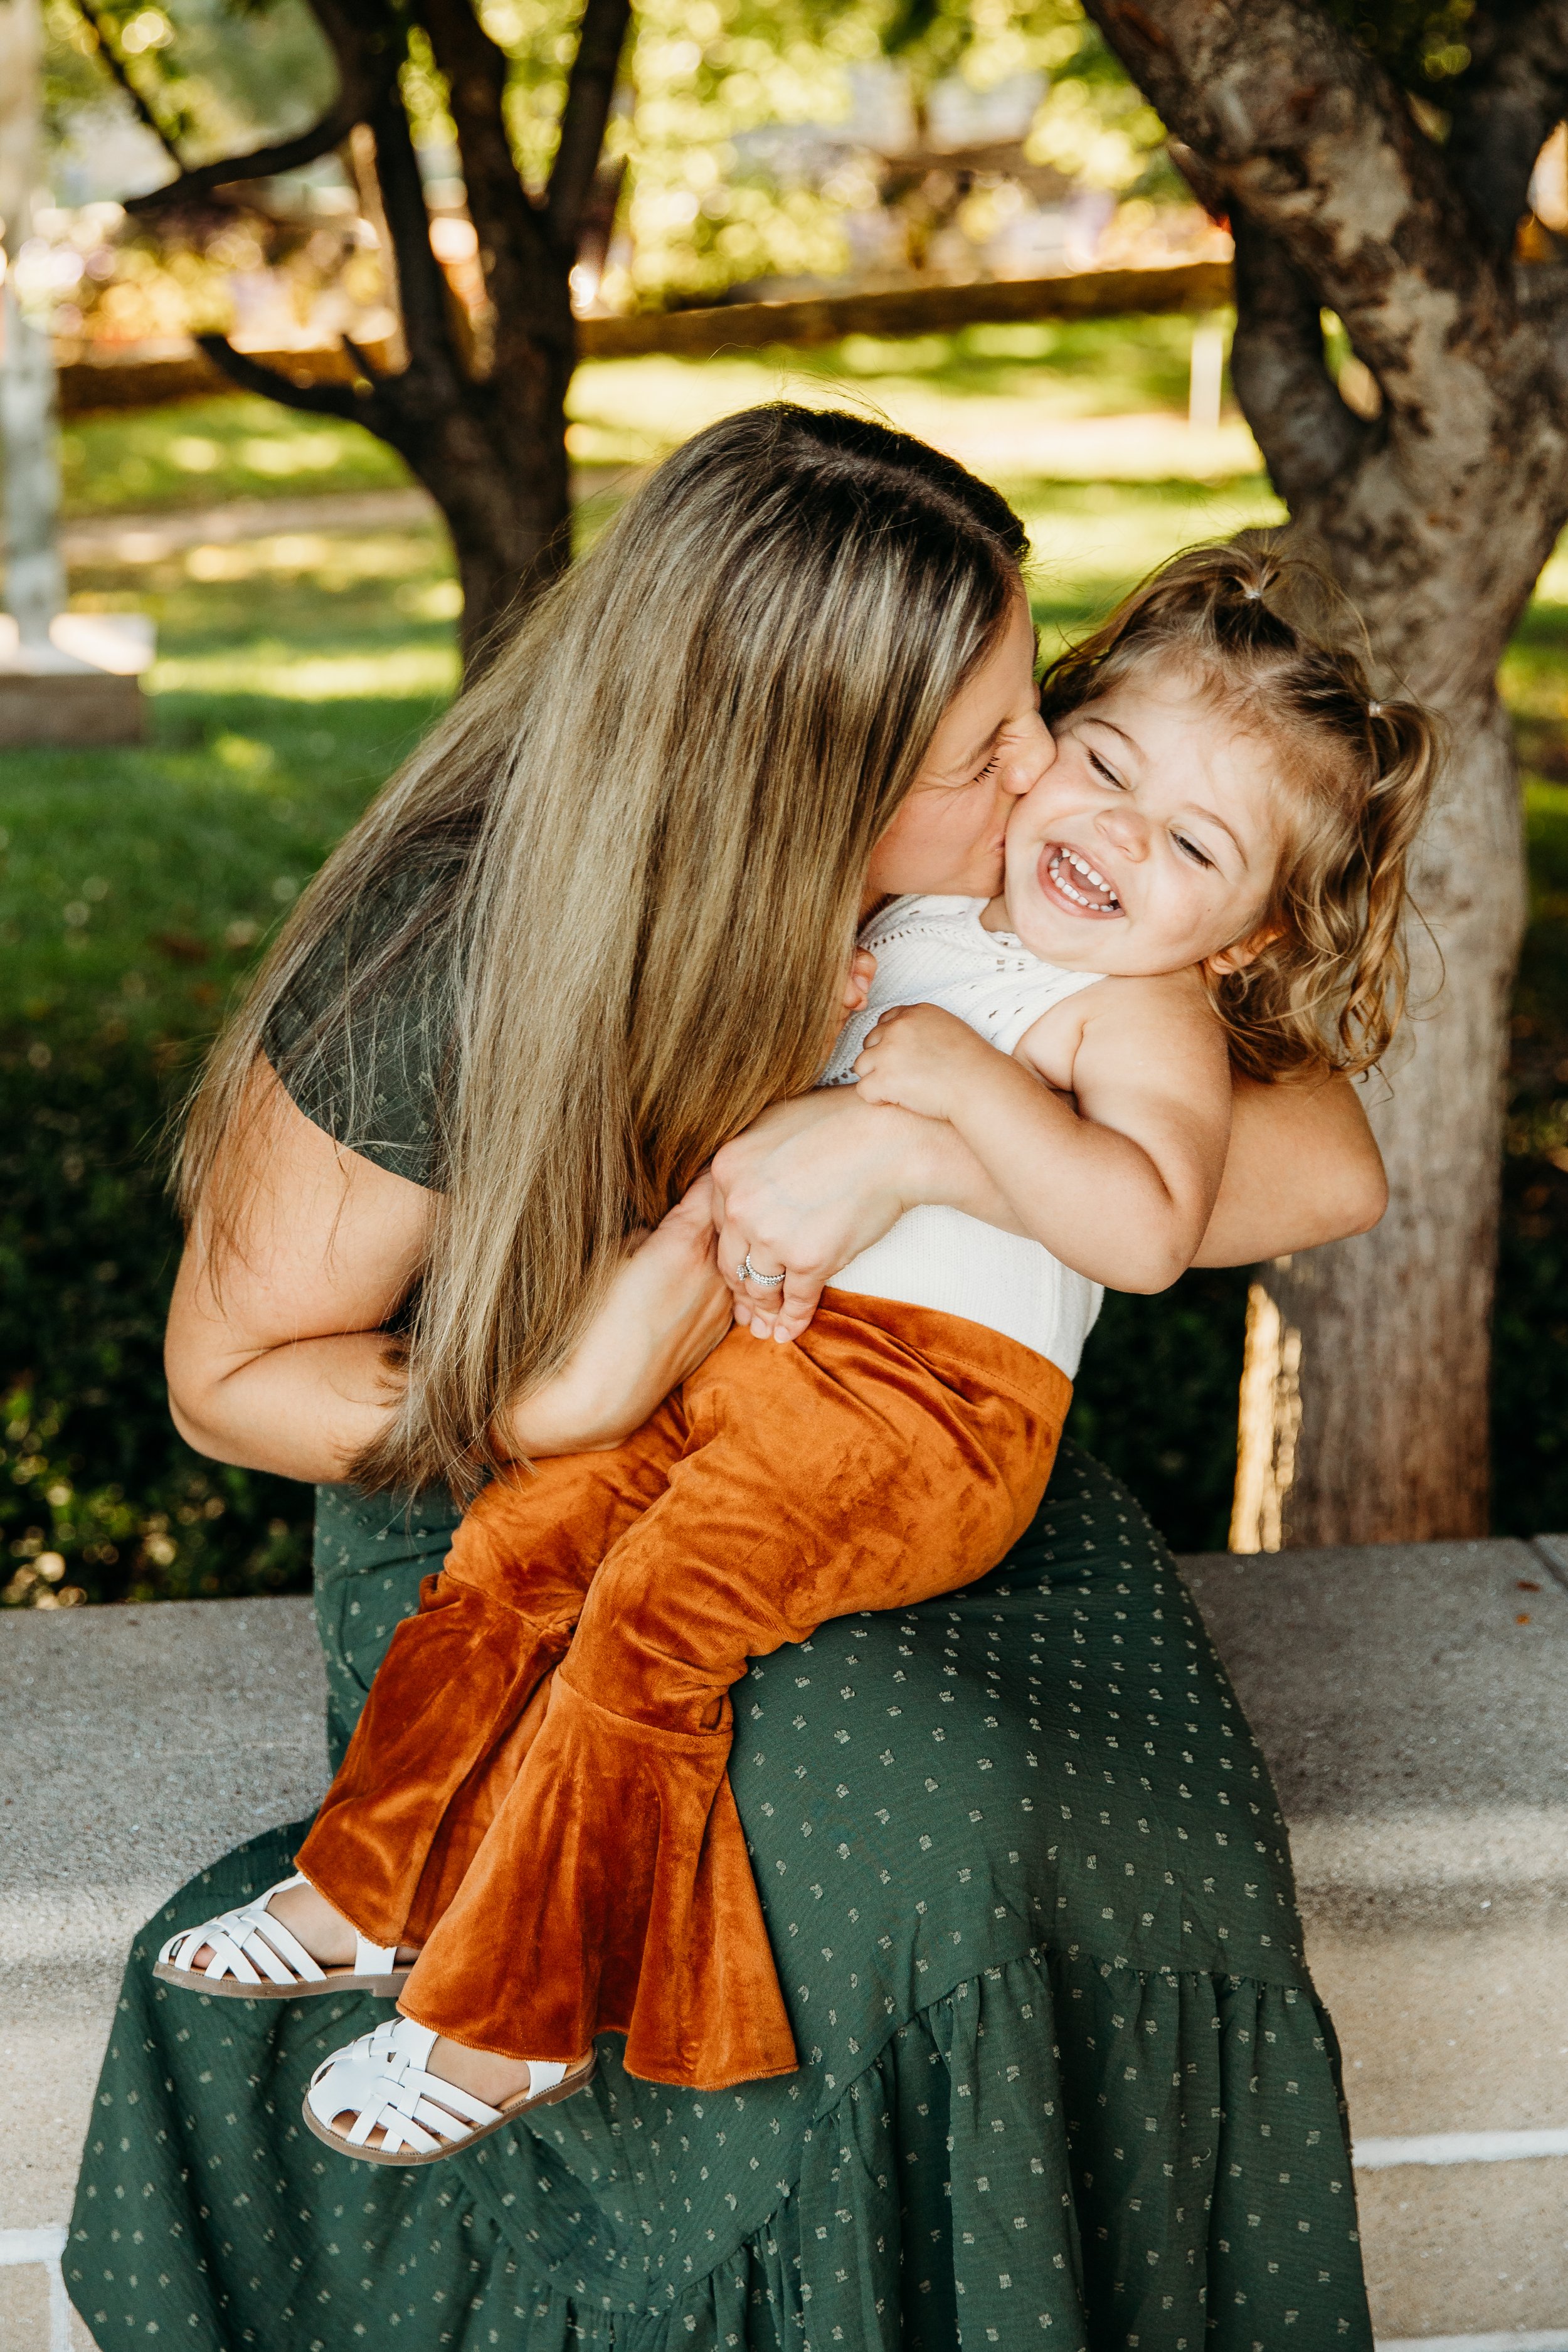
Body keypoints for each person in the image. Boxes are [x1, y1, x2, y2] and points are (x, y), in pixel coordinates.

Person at [68, 408, 1390, 2350]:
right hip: (504, 1468)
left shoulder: (1016, 912)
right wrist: (568, 1389)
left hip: (888, 1439)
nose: (1046, 774)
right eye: (991, 750)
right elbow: (230, 1380)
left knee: (1079, 1827)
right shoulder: (446, 953)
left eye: (1035, 704)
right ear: (804, 775)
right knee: (903, 1833)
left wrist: (904, 1144)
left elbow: (1323, 1164)